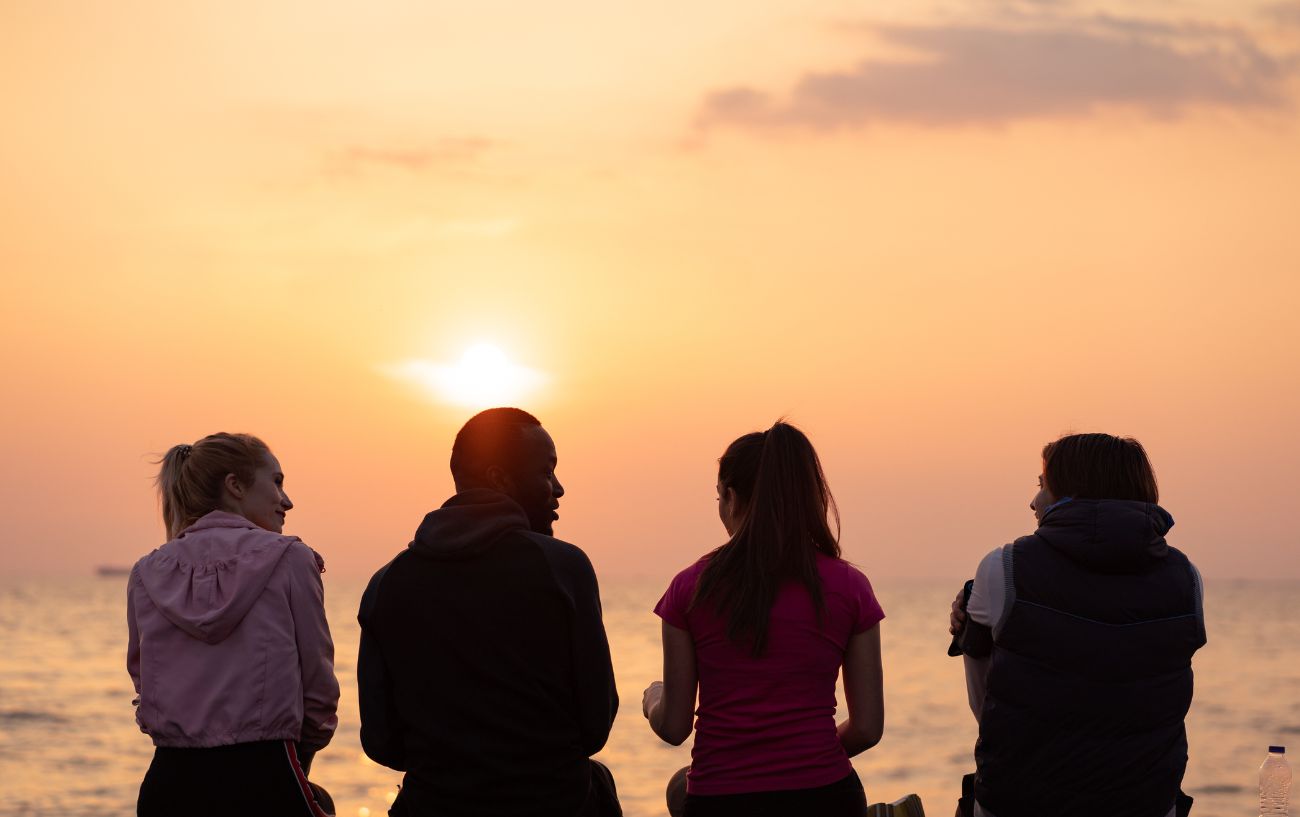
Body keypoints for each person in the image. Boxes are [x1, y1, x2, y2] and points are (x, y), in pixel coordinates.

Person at [357, 407, 620, 817]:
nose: (559, 488)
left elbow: (381, 742)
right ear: (500, 479)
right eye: (547, 472)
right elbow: (595, 725)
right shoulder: (563, 568)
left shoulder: (385, 584)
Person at [948, 433, 1206, 817]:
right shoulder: (1187, 578)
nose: (1033, 502)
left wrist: (972, 624)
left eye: (1042, 485)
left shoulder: (1003, 568)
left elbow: (986, 711)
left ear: (1071, 492)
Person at [643, 421, 885, 817]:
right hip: (827, 797)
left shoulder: (690, 589)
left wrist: (654, 697)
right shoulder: (851, 587)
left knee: (677, 788)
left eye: (718, 496)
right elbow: (867, 728)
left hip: (722, 800)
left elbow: (674, 727)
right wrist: (799, 755)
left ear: (731, 497)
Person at [127, 432, 339, 817]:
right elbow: (319, 690)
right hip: (265, 777)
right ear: (235, 485)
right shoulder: (291, 559)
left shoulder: (146, 572)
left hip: (168, 784)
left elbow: (143, 682)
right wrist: (298, 759)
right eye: (276, 482)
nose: (286, 500)